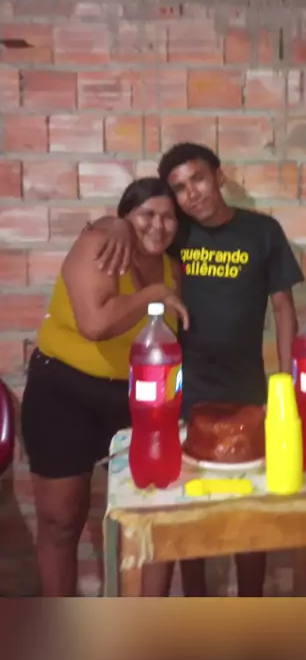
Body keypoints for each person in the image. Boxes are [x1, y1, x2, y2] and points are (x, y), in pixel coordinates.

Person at [93, 142, 305, 597]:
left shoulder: (263, 232)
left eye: (198, 179)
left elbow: (285, 309)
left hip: (247, 390)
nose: (191, 194)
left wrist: (285, 386)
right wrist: (115, 222)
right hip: (186, 391)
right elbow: (133, 228)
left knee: (251, 511)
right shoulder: (175, 232)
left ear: (218, 177)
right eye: (179, 188)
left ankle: (251, 607)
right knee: (187, 511)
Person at [20, 177, 189, 597]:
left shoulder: (173, 269)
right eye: (147, 214)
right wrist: (153, 294)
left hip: (135, 402)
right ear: (125, 217)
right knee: (62, 520)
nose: (159, 225)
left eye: (169, 217)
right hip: (64, 395)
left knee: (153, 515)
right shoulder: (100, 245)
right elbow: (94, 324)